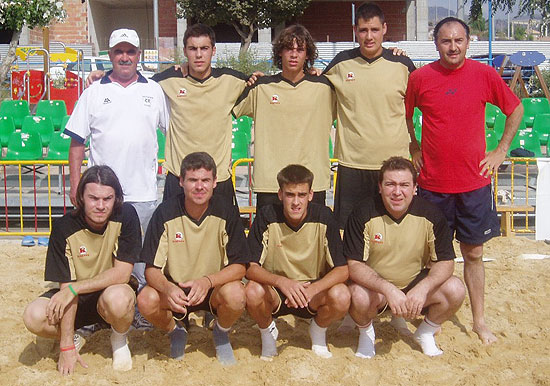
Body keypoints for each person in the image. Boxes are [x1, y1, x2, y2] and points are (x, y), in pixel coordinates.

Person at [405, 17, 523, 344]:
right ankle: (436, 312)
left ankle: (479, 320)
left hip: (473, 184)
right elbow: (403, 115)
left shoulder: (484, 75)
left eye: (458, 40)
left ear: (468, 43)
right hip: (432, 186)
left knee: (473, 254)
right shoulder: (421, 78)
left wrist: (501, 150)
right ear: (436, 44)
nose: (453, 46)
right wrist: (413, 145)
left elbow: (515, 110)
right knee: (432, 256)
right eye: (446, 41)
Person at [65, 28, 169, 292]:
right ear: (109, 55)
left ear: (139, 55)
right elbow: (77, 142)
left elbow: (175, 132)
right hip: (102, 195)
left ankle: (142, 314)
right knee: (102, 260)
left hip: (143, 194)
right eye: (119, 51)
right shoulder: (93, 93)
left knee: (143, 261)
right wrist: (76, 184)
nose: (125, 57)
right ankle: (99, 311)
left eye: (130, 51)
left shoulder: (155, 91)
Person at [23, 166, 142, 374]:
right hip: (74, 295)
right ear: (81, 198)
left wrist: (74, 289)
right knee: (33, 316)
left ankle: (119, 339)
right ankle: (75, 335)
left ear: (116, 198)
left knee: (120, 299)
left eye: (108, 199)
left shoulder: (127, 216)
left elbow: (122, 273)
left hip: (108, 292)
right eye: (93, 198)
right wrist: (66, 345)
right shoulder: (63, 227)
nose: (100, 205)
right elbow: (66, 287)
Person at [344, 156, 465, 357]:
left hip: (413, 286)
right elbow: (354, 264)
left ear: (415, 188)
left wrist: (422, 289)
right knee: (357, 294)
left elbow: (446, 261)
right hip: (378, 290)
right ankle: (366, 333)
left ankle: (425, 333)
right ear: (380, 187)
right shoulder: (362, 213)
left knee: (456, 289)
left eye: (404, 185)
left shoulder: (431, 215)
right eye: (390, 184)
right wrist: (387, 288)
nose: (397, 192)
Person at [137, 152, 249, 365]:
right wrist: (168, 289)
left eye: (205, 180)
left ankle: (221, 331)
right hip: (177, 291)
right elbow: (150, 269)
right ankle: (175, 330)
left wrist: (207, 282)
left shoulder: (227, 212)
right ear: (181, 181)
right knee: (146, 300)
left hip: (213, 287)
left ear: (215, 182)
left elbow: (240, 266)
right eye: (193, 180)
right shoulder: (165, 212)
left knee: (236, 294)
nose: (199, 186)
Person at [322, 2, 416, 229]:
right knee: (349, 231)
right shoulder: (340, 64)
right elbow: (314, 87)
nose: (369, 36)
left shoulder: (402, 64)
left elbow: (417, 108)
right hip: (352, 164)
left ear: (384, 29)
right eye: (363, 30)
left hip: (394, 165)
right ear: (355, 31)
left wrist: (417, 146)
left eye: (374, 30)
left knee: (394, 230)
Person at [245, 164, 349, 360]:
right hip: (276, 290)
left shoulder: (324, 216)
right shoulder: (267, 215)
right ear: (280, 194)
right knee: (251, 290)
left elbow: (342, 270)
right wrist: (282, 282)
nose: (296, 202)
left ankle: (317, 331)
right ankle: (268, 333)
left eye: (301, 195)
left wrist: (313, 289)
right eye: (290, 194)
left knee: (342, 295)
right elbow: (250, 267)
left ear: (310, 195)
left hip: (312, 291)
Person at [232, 25, 335, 209]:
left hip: (312, 185)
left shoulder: (325, 87)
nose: (294, 54)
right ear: (280, 52)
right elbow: (224, 108)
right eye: (289, 48)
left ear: (308, 54)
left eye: (300, 49)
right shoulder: (261, 87)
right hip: (271, 185)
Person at [151, 23, 249, 205]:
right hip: (179, 179)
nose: (198, 54)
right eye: (192, 49)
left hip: (218, 180)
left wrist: (312, 73)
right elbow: (133, 86)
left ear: (213, 50)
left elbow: (265, 85)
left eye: (204, 48)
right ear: (185, 51)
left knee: (225, 233)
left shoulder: (232, 80)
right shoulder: (167, 81)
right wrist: (103, 76)